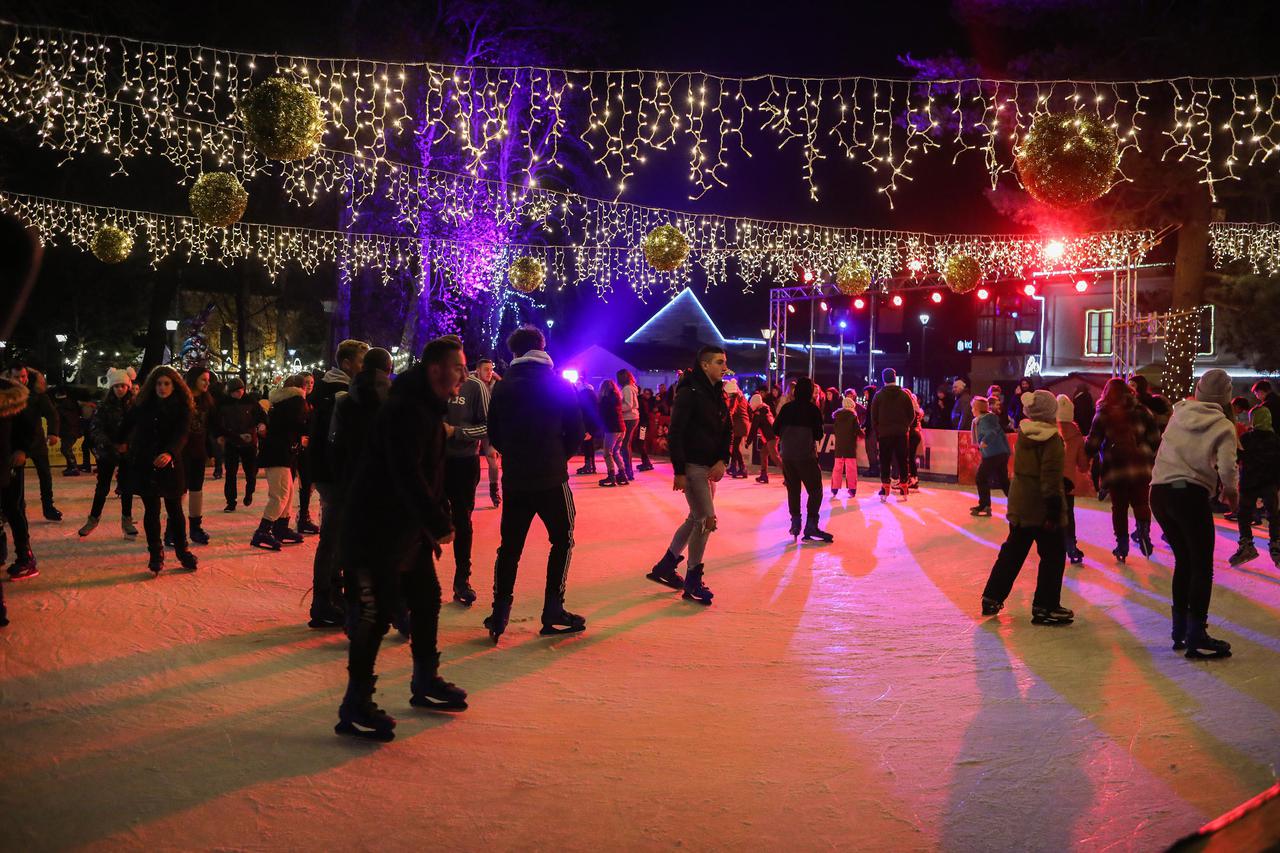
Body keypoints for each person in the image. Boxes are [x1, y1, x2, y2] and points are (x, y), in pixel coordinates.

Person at [335, 337, 469, 740]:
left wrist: (436, 518)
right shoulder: (407, 410)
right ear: (435, 370)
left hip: (404, 530)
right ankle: (355, 703)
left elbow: (429, 475)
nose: (462, 374)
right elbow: (403, 473)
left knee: (426, 599)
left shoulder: (425, 407)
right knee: (375, 616)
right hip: (374, 530)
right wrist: (436, 521)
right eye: (457, 367)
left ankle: (425, 680)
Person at [483, 326, 587, 642]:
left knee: (510, 547)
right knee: (562, 539)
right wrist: (558, 457)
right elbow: (576, 431)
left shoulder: (503, 387)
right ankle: (553, 608)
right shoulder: (558, 384)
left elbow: (494, 432)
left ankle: (500, 612)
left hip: (516, 479)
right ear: (541, 348)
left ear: (514, 353)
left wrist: (514, 455)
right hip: (551, 478)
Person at [1150, 368, 1239, 659]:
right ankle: (1196, 634)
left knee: (1185, 561)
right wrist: (1232, 493)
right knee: (1201, 564)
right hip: (1188, 495)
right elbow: (1227, 467)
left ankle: (1180, 630)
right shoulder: (1223, 425)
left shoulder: (1179, 414)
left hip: (1160, 492)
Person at [980, 390, 1074, 625]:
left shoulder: (1025, 432)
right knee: (1053, 555)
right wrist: (1054, 509)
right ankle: (1045, 606)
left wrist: (1060, 482)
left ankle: (991, 596)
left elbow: (1033, 470)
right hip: (1042, 505)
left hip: (1022, 501)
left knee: (1013, 551)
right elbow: (1048, 475)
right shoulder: (1052, 438)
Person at [646, 345, 731, 603]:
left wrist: (722, 461)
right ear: (705, 365)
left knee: (696, 518)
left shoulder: (719, 393)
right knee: (706, 520)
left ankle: (666, 565)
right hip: (693, 466)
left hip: (708, 465)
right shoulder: (689, 392)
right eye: (719, 362)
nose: (724, 367)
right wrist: (680, 470)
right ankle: (693, 579)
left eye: (725, 362)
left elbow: (726, 430)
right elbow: (675, 433)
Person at [304, 340, 369, 619]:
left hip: (330, 473)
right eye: (361, 362)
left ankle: (332, 594)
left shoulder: (333, 391)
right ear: (346, 364)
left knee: (336, 536)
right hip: (335, 475)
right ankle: (323, 600)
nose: (365, 368)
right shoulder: (338, 395)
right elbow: (336, 441)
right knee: (332, 537)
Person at [123, 365, 198, 575]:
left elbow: (182, 434)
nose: (162, 387)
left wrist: (170, 452)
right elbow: (127, 425)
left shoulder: (182, 406)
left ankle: (183, 551)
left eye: (166, 383)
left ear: (175, 386)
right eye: (158, 383)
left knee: (175, 510)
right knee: (152, 511)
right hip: (147, 463)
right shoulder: (143, 405)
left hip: (171, 465)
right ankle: (155, 554)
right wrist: (118, 443)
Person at [1085, 378, 1159, 562]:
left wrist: (1087, 450)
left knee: (1119, 508)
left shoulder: (1103, 414)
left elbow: (1092, 444)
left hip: (1116, 467)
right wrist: (1144, 449)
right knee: (1141, 503)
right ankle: (1143, 532)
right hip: (1141, 466)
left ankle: (1122, 545)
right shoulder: (1142, 411)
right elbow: (1155, 438)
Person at [444, 346, 492, 607]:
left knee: (462, 521)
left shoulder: (475, 387)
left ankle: (462, 579)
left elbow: (488, 425)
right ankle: (413, 585)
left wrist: (457, 432)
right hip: (433, 463)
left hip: (464, 463)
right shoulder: (431, 383)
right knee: (423, 520)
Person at [251, 374, 309, 552]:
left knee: (288, 492)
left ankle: (281, 527)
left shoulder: (282, 402)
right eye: (307, 384)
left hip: (280, 452)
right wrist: (304, 436)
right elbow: (298, 425)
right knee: (281, 494)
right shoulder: (297, 401)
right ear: (300, 387)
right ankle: (263, 530)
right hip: (279, 454)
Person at [78, 368, 137, 538]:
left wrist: (128, 445)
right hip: (107, 453)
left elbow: (138, 429)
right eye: (117, 386)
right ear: (111, 388)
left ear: (128, 387)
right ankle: (93, 519)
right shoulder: (104, 407)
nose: (120, 389)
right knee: (102, 487)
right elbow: (96, 429)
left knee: (126, 488)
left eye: (123, 386)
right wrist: (111, 445)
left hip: (128, 453)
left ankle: (127, 520)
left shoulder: (134, 407)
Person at [774, 376, 834, 542]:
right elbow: (818, 434)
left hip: (787, 456)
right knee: (815, 490)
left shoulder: (786, 408)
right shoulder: (812, 409)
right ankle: (811, 524)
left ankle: (795, 522)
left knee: (793, 489)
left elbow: (775, 428)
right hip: (805, 456)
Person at [6, 366, 62, 521]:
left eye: (23, 376)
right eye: (17, 377)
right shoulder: (5, 395)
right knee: (15, 478)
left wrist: (53, 432)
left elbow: (51, 413)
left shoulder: (36, 395)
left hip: (36, 442)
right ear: (9, 377)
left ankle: (48, 507)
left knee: (45, 476)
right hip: (15, 443)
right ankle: (16, 507)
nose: (21, 380)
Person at [1229, 405, 1280, 567]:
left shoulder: (1247, 438)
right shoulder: (1276, 440)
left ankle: (1246, 544)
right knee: (1273, 514)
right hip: (1269, 483)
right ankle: (1276, 544)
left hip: (1249, 482)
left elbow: (1237, 457)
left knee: (1244, 515)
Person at [1, 375, 36, 580]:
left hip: (8, 463)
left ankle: (25, 556)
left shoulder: (11, 395)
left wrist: (23, 450)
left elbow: (30, 428)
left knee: (12, 509)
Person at [214, 378, 266, 512]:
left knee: (250, 472)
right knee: (231, 474)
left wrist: (261, 424)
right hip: (232, 441)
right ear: (230, 392)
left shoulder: (250, 401)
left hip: (249, 442)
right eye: (237, 391)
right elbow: (218, 423)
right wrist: (220, 435)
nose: (240, 393)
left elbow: (261, 416)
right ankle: (231, 501)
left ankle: (249, 493)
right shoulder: (223, 404)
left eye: (242, 390)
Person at [180, 367, 214, 546]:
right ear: (193, 380)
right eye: (203, 380)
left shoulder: (206, 401)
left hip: (198, 453)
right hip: (181, 453)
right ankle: (174, 529)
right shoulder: (181, 401)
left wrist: (211, 451)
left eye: (208, 380)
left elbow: (209, 429)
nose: (207, 383)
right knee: (179, 491)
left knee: (196, 490)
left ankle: (195, 527)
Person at [871, 368, 915, 502]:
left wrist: (879, 429)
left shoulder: (878, 396)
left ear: (884, 379)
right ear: (895, 378)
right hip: (901, 433)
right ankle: (904, 488)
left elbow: (874, 417)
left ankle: (885, 489)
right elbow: (911, 414)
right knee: (902, 460)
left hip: (885, 434)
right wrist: (905, 426)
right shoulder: (904, 395)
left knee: (885, 461)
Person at [1057, 394, 1090, 565]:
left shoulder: (1048, 430)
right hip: (1067, 482)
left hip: (1049, 480)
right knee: (1068, 514)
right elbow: (1083, 465)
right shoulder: (1076, 436)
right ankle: (1070, 546)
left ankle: (1052, 545)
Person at [970, 397, 1010, 517]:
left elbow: (992, 432)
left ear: (977, 408)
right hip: (999, 452)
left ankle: (985, 504)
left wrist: (985, 442)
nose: (972, 410)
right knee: (1003, 480)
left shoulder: (985, 419)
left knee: (981, 477)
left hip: (994, 453)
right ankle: (1018, 504)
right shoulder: (985, 418)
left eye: (973, 407)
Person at [473, 357, 502, 507]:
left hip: (489, 425)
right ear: (478, 370)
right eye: (486, 369)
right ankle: (471, 486)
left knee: (492, 456)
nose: (490, 372)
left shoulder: (496, 384)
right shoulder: (470, 383)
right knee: (472, 456)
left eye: (491, 369)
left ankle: (494, 489)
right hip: (473, 424)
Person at [296, 372, 318, 534]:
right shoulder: (297, 402)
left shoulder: (314, 401)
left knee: (309, 483)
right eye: (306, 382)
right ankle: (300, 517)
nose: (309, 385)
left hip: (310, 447)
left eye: (311, 382)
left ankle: (303, 515)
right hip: (297, 447)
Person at [596, 378, 627, 487]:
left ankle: (611, 475)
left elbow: (602, 415)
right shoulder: (617, 397)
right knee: (616, 451)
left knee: (607, 453)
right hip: (621, 428)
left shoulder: (605, 400)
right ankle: (622, 474)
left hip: (612, 429)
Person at [831, 394, 862, 498]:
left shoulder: (837, 416)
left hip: (839, 446)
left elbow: (835, 430)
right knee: (851, 468)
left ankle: (834, 488)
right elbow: (857, 431)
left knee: (837, 468)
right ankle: (852, 489)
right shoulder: (853, 416)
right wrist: (862, 433)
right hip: (850, 446)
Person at [747, 392, 781, 483]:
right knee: (763, 453)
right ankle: (764, 475)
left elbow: (753, 430)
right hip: (772, 436)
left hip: (771, 437)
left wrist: (748, 442)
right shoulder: (764, 409)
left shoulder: (759, 414)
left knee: (775, 457)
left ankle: (789, 475)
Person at [53, 384, 85, 476]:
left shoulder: (62, 407)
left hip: (69, 431)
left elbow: (65, 419)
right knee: (66, 449)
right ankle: (71, 466)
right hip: (71, 431)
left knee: (65, 449)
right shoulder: (70, 405)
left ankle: (73, 467)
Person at [618, 369, 641, 481]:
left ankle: (627, 471)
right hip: (633, 417)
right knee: (626, 444)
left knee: (624, 445)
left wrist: (617, 409)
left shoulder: (627, 388)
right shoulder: (631, 387)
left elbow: (628, 404)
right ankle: (628, 471)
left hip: (629, 417)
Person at [724, 379, 750, 479]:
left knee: (735, 447)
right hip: (742, 423)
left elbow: (732, 410)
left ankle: (742, 468)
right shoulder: (741, 395)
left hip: (740, 424)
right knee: (735, 447)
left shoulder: (736, 396)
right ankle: (734, 467)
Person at [575, 381, 600, 475]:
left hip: (587, 426)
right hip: (591, 426)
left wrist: (588, 430)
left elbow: (585, 415)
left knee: (587, 446)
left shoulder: (584, 399)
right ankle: (591, 465)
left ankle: (589, 465)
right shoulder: (594, 400)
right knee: (589, 446)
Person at [635, 387, 656, 472]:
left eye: (647, 393)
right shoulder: (642, 400)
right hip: (642, 425)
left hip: (643, 425)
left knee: (641, 442)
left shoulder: (648, 403)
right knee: (639, 442)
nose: (645, 394)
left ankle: (647, 463)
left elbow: (645, 415)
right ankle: (645, 462)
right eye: (644, 393)